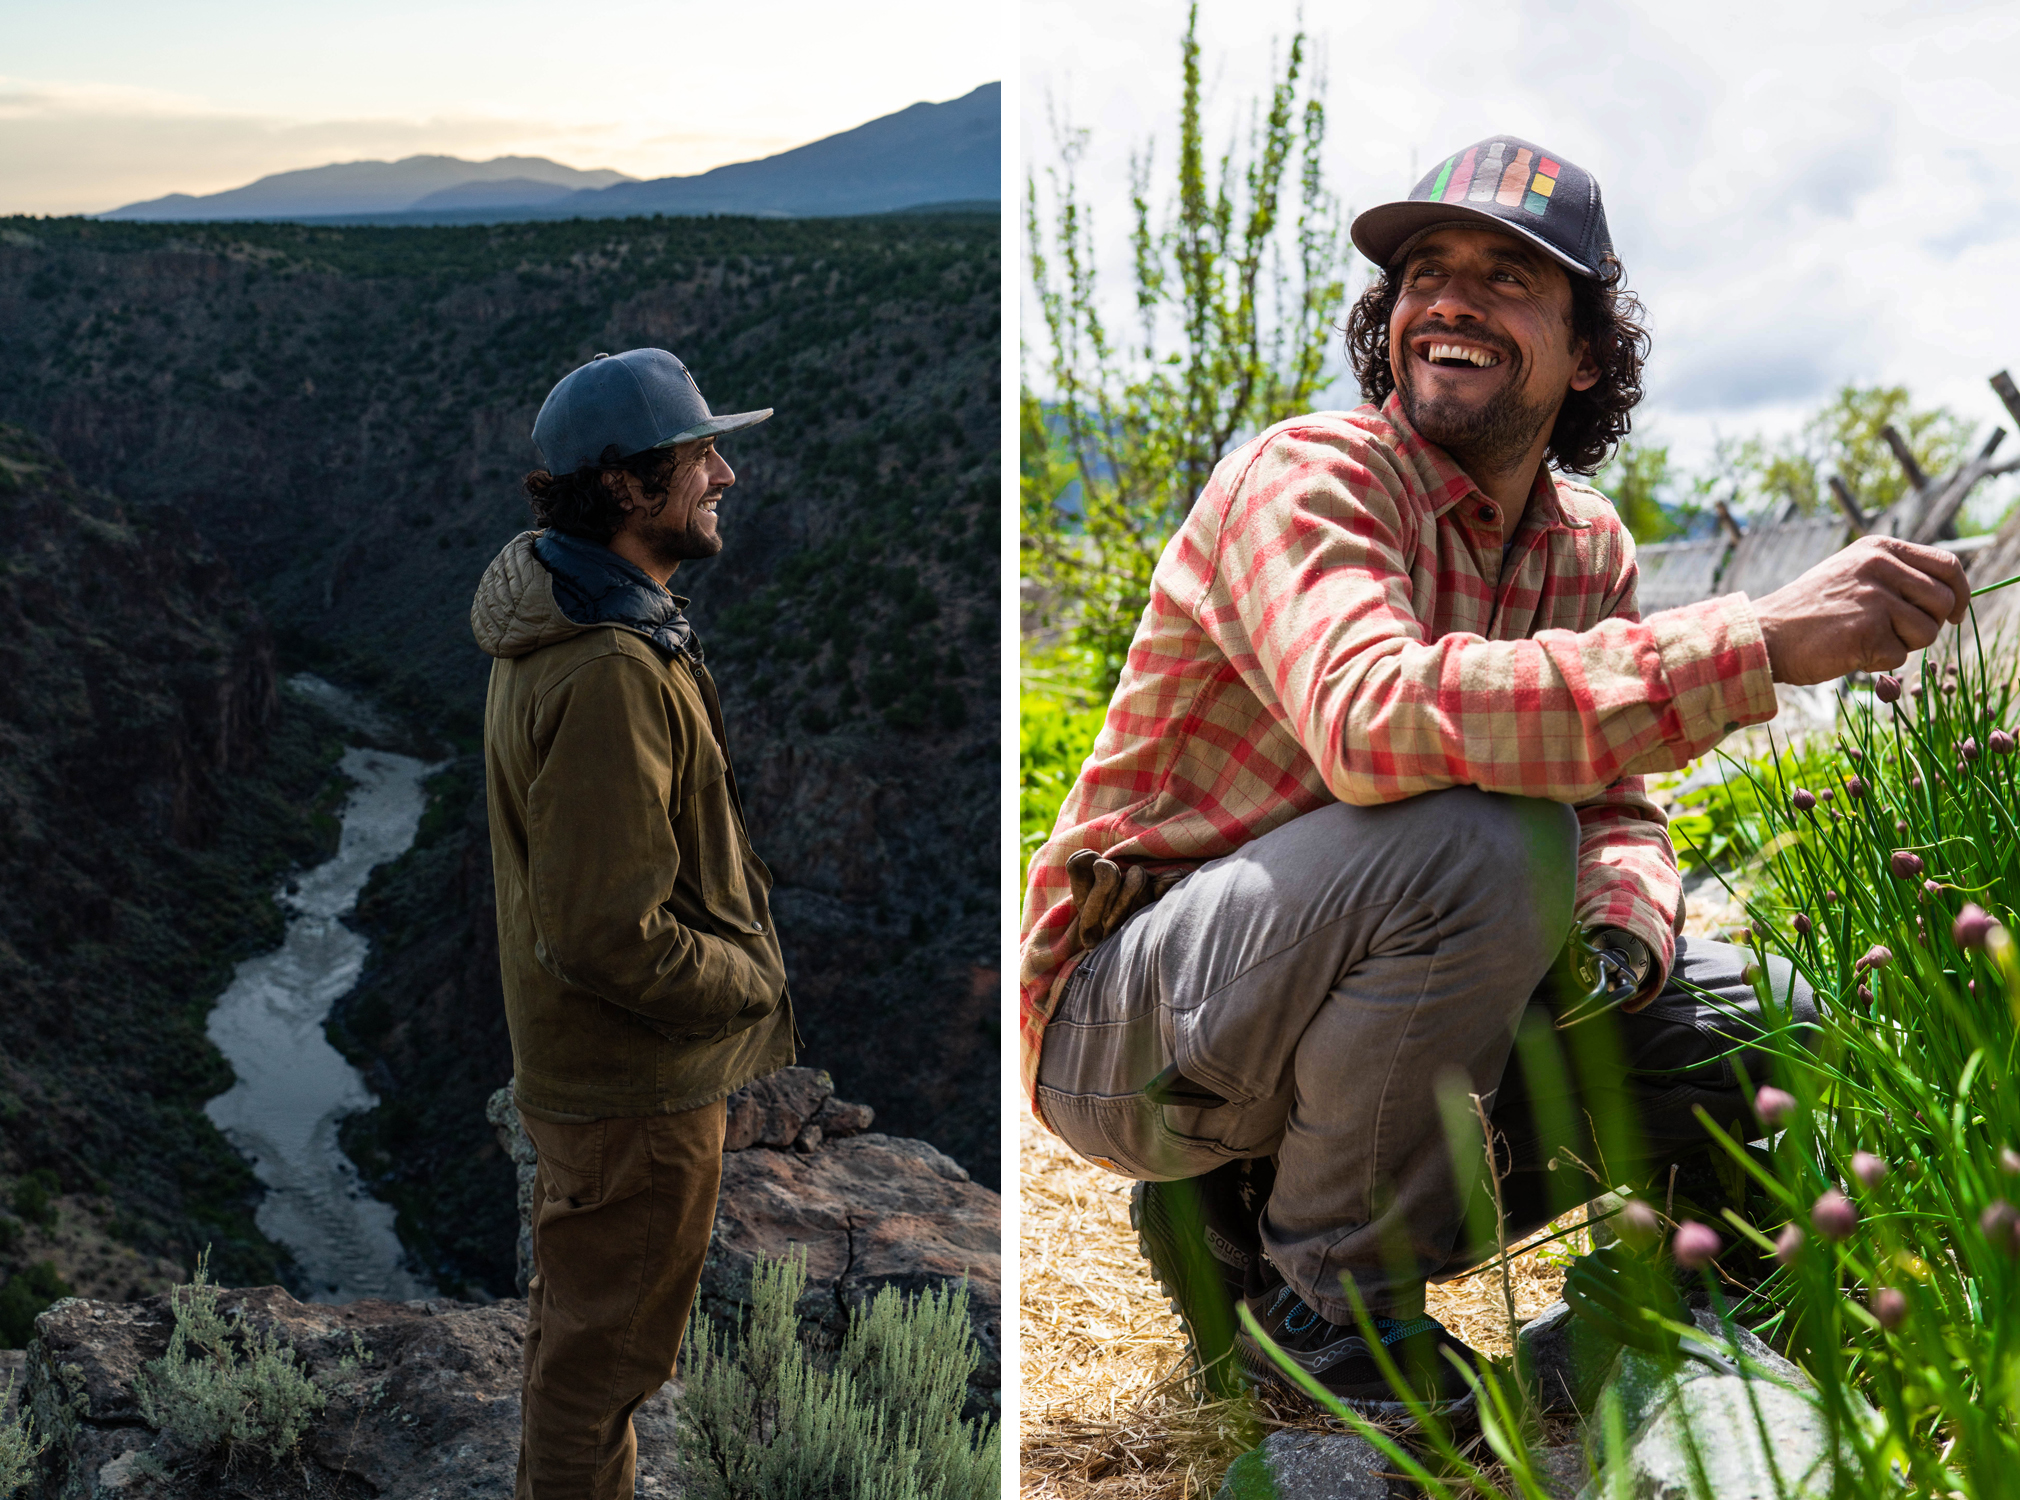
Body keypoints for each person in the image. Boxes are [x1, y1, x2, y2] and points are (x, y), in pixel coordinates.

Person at [1017, 135, 1972, 1416]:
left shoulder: (1586, 547)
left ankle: (1298, 1244)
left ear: (1585, 355)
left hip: (1368, 985)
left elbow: (1616, 804)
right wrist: (1757, 640)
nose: (1451, 298)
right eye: (1426, 271)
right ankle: (1327, 1314)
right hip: (1137, 1029)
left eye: (1509, 276)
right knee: (1483, 838)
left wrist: (1618, 938)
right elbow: (1371, 722)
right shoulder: (1309, 479)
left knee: (1768, 1021)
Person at [471, 347, 795, 1495]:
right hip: (634, 1096)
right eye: (701, 453)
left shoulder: (570, 616)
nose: (727, 474)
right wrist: (745, 982)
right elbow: (606, 933)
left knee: (580, 1352)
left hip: (591, 1082)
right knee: (603, 1375)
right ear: (623, 485)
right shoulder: (608, 665)